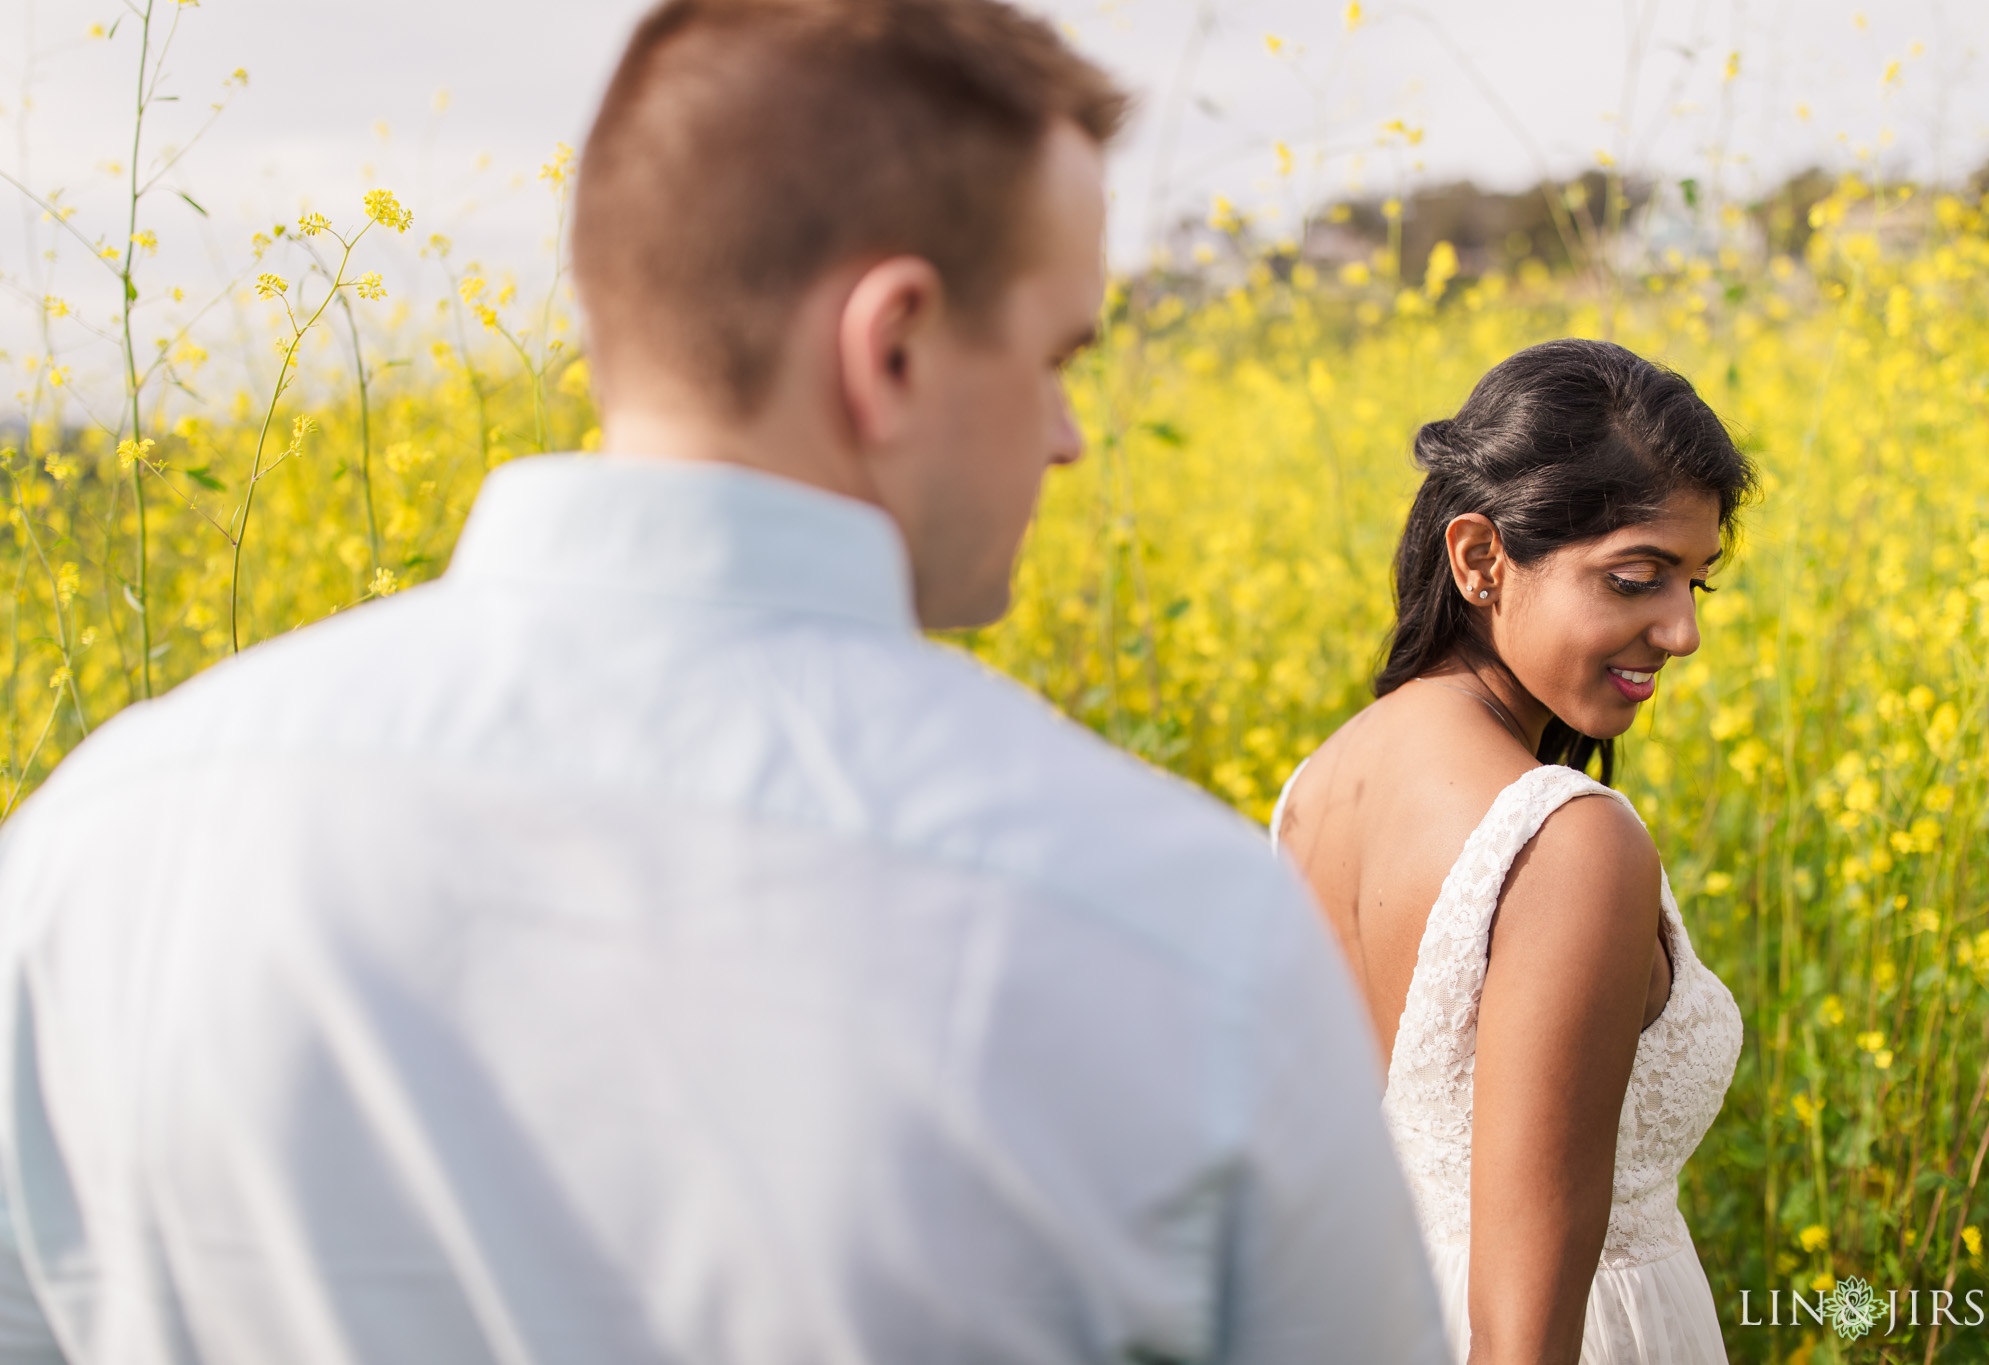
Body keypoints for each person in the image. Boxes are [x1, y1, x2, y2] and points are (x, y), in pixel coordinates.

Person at [0, 2, 1447, 1362]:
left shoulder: (98, 839)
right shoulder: (1174, 930)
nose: (1071, 437)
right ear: (889, 348)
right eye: (1060, 355)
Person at [1272, 338, 1754, 1365]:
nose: (1679, 632)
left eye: (1695, 586)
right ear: (1480, 560)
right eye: (1634, 579)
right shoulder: (1565, 843)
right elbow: (1524, 1336)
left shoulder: (1320, 783)